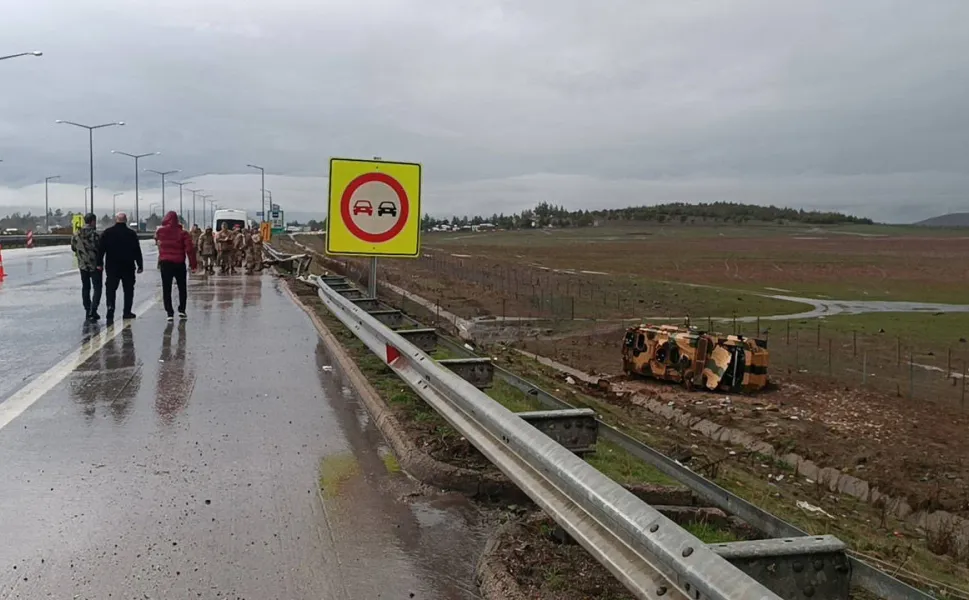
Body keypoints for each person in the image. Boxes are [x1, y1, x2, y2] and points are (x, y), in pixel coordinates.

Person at [99, 212, 144, 323]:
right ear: (126, 220)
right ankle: (127, 312)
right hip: (128, 267)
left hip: (112, 267)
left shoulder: (107, 233)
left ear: (116, 220)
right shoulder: (131, 234)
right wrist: (140, 265)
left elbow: (101, 250)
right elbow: (137, 250)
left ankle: (110, 308)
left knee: (111, 289)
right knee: (128, 290)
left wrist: (99, 263)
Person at [155, 211, 197, 321]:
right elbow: (189, 250)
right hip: (179, 263)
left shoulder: (160, 231)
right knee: (182, 287)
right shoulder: (183, 233)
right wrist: (193, 265)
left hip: (165, 263)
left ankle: (169, 312)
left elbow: (158, 243)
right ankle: (182, 310)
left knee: (166, 288)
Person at [71, 213, 103, 323]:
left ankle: (87, 308)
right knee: (97, 287)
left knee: (85, 287)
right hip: (94, 265)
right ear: (93, 221)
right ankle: (93, 310)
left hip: (83, 265)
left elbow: (73, 248)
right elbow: (100, 249)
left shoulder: (76, 234)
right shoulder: (95, 235)